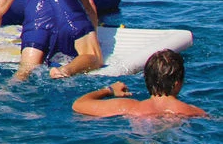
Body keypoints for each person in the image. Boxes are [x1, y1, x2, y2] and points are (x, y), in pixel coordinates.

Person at [72, 49, 206, 118]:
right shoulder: (194, 112)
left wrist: (109, 90)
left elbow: (79, 104)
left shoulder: (129, 107)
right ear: (178, 83)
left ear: (146, 78)